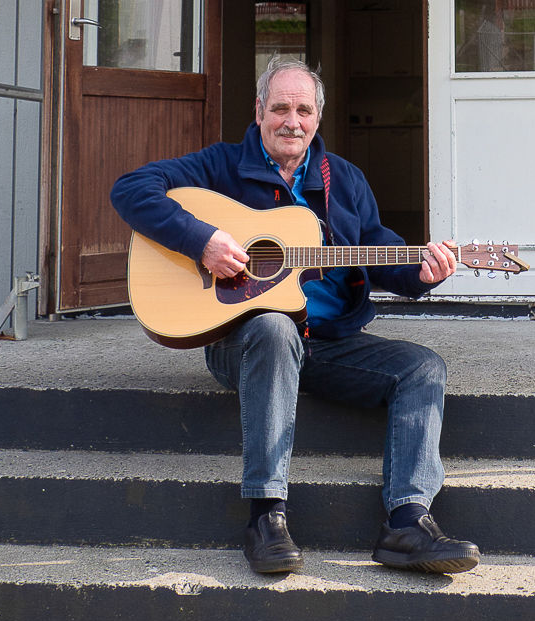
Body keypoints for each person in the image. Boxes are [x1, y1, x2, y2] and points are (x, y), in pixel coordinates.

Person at [110, 54, 481, 578]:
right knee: (273, 324)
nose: (293, 121)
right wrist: (203, 241)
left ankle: (407, 521)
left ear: (317, 118)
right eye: (280, 107)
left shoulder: (343, 180)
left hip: (328, 345)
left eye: (304, 110)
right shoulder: (219, 167)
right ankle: (266, 516)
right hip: (243, 341)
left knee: (422, 368)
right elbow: (130, 190)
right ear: (259, 110)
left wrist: (423, 272)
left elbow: (377, 248)